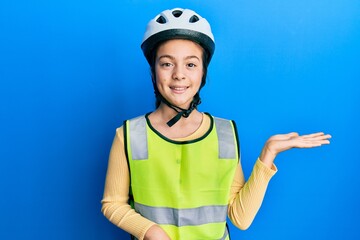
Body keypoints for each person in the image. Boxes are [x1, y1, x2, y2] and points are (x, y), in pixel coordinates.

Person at [101, 8, 331, 240]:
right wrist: (151, 231)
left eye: (190, 64)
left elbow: (240, 218)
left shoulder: (225, 134)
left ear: (203, 72)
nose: (179, 75)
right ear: (154, 71)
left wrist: (268, 155)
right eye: (167, 64)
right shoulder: (129, 135)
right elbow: (112, 203)